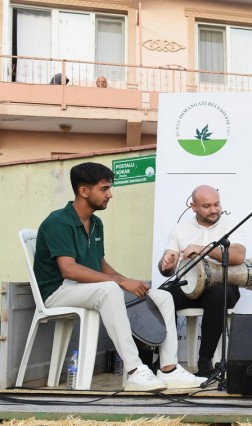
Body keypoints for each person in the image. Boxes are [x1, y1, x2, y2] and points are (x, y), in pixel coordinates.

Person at [33, 162, 206, 390]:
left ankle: (169, 368)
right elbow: (69, 269)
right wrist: (122, 282)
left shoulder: (96, 223)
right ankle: (135, 370)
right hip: (58, 290)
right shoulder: (58, 222)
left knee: (162, 297)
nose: (110, 194)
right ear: (83, 191)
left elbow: (100, 264)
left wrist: (131, 283)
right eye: (104, 189)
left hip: (86, 288)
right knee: (110, 289)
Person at [158, 185, 245, 377]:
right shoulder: (180, 229)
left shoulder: (230, 224)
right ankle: (163, 360)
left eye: (217, 204)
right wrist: (166, 265)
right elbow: (167, 269)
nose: (214, 210)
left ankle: (205, 361)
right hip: (189, 287)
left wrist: (203, 249)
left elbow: (238, 256)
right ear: (193, 207)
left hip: (222, 287)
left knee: (219, 294)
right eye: (207, 206)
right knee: (161, 296)